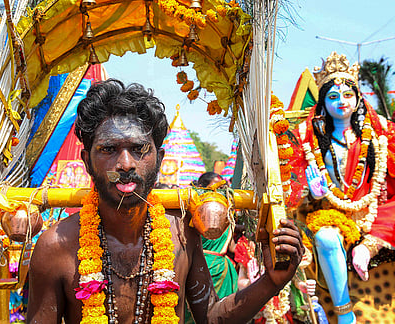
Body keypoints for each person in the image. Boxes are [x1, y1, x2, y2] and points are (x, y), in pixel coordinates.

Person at [26, 79, 303, 323]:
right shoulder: (55, 247)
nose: (125, 164)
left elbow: (212, 317)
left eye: (138, 149)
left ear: (158, 160)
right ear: (87, 161)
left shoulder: (182, 235)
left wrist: (271, 282)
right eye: (109, 149)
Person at [287, 52, 395, 323]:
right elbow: (293, 188)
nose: (341, 102)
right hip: (330, 214)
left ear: (357, 98)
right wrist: (315, 192)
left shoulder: (379, 133)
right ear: (323, 103)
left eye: (347, 95)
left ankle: (374, 251)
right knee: (325, 239)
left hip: (374, 213)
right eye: (333, 97)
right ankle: (345, 314)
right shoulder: (308, 138)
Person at [185, 172, 238, 323]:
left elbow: (231, 247)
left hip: (221, 268)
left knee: (224, 313)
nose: (217, 193)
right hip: (197, 265)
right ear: (200, 189)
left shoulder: (227, 212)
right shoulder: (191, 211)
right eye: (213, 188)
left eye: (221, 188)